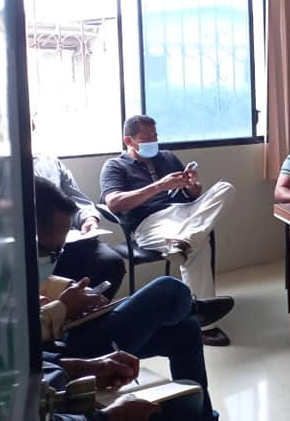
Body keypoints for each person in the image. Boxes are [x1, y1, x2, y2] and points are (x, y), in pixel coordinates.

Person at [34, 176, 224, 419]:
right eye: (51, 252)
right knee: (169, 290)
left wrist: (65, 296)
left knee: (186, 332)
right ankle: (193, 307)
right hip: (62, 348)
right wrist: (61, 309)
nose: (54, 259)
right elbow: (28, 359)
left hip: (61, 346)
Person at [99, 115, 235, 346]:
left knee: (225, 188)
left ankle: (183, 242)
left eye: (155, 136)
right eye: (147, 137)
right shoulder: (115, 166)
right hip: (151, 222)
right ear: (129, 141)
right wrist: (160, 186)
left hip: (186, 212)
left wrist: (193, 185)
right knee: (199, 247)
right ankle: (204, 325)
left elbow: (194, 194)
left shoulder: (168, 157)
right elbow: (114, 203)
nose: (154, 141)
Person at [34, 148, 126, 300]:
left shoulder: (49, 161)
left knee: (110, 262)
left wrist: (89, 219)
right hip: (39, 246)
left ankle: (91, 310)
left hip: (66, 238)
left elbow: (76, 200)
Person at [43, 349, 207, 421]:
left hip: (56, 381)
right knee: (189, 397)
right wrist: (108, 417)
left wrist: (86, 367)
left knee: (186, 328)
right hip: (60, 409)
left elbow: (35, 359)